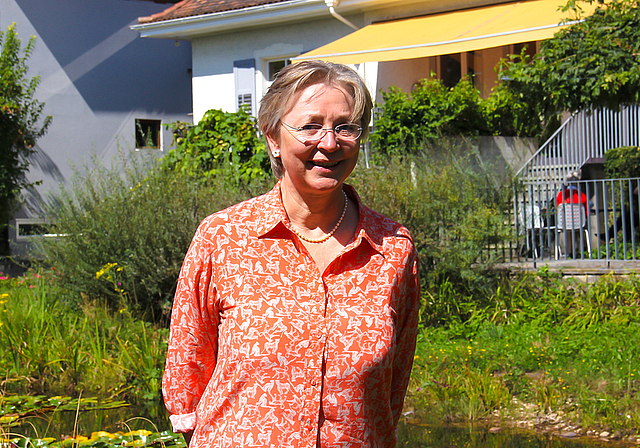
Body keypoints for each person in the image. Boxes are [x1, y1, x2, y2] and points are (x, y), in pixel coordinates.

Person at [162, 60, 420, 448]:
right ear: (272, 137)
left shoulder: (394, 248)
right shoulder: (223, 237)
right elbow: (188, 368)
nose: (329, 142)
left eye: (346, 126)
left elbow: (391, 386)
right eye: (310, 125)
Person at [555, 171, 590, 257]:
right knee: (580, 228)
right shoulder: (582, 195)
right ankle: (584, 249)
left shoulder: (561, 195)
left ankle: (571, 252)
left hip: (565, 223)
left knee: (569, 229)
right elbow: (586, 211)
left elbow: (557, 208)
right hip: (579, 222)